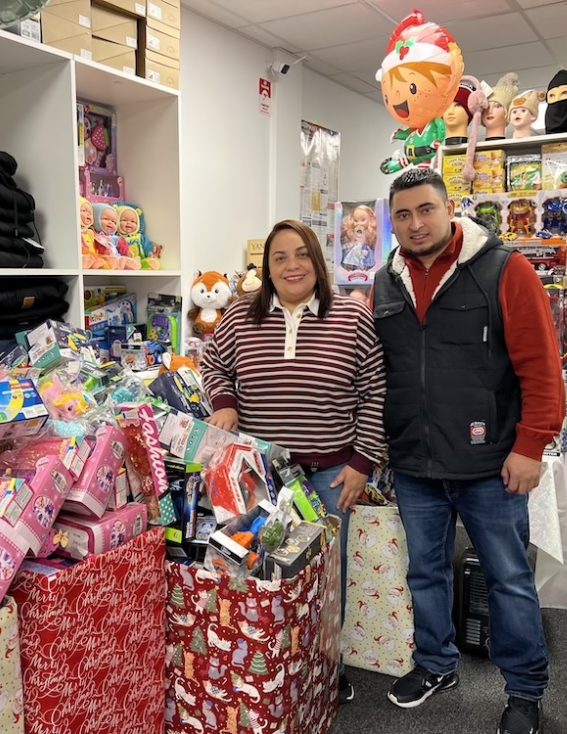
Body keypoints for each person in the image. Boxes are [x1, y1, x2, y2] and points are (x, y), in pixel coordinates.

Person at [372, 169, 563, 734]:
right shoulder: (386, 281)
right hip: (415, 463)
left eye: (426, 209)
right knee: (425, 573)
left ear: (449, 208)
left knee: (508, 578)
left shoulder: (504, 269)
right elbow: (383, 371)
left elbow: (541, 366)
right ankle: (436, 664)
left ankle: (525, 691)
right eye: (403, 214)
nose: (415, 223)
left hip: (490, 463)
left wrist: (531, 445)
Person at [200, 218, 386, 705]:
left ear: (318, 262)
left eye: (301, 254)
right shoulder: (241, 316)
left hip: (330, 475)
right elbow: (213, 364)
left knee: (323, 576)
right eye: (279, 258)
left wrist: (362, 462)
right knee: (256, 569)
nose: (291, 266)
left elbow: (375, 392)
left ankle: (326, 671)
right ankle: (269, 667)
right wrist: (225, 402)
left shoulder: (352, 315)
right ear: (267, 268)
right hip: (260, 477)